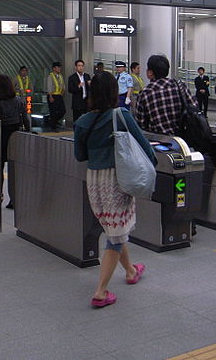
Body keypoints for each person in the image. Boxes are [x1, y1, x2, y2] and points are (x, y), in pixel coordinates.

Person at [74, 72, 156, 307]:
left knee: (114, 228)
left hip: (94, 180)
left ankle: (130, 271)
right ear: (113, 92)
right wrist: (151, 171)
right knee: (115, 235)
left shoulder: (82, 122)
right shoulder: (120, 115)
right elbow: (144, 146)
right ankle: (100, 292)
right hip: (117, 179)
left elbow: (80, 155)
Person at [0, 74, 31, 210]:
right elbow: (25, 119)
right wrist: (28, 132)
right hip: (15, 137)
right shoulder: (18, 100)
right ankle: (14, 199)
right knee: (14, 170)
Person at [135, 54, 197, 135]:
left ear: (150, 72)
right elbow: (194, 107)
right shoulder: (180, 86)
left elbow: (141, 124)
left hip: (158, 141)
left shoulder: (145, 94)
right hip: (183, 139)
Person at [46, 61, 66, 131]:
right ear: (54, 68)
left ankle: (53, 121)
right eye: (58, 67)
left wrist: (62, 93)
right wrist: (50, 96)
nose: (59, 68)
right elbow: (49, 86)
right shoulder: (50, 76)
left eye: (60, 67)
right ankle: (53, 127)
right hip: (52, 95)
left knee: (63, 111)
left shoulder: (60, 76)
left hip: (59, 96)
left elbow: (63, 86)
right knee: (53, 111)